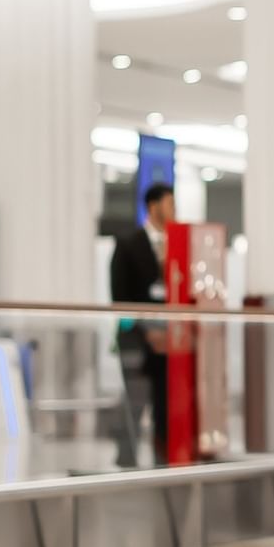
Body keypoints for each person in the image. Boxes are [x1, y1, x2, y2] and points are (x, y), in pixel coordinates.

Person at [110, 183, 174, 468]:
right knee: (135, 401)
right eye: (169, 204)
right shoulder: (127, 244)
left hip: (169, 339)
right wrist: (147, 332)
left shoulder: (176, 245)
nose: (173, 210)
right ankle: (127, 458)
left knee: (165, 400)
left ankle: (163, 458)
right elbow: (120, 298)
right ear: (153, 206)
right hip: (137, 339)